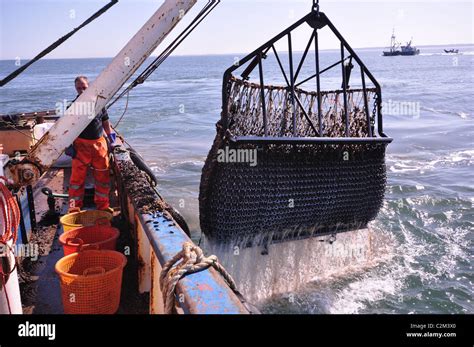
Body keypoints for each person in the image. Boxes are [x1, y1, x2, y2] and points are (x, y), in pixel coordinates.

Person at [66, 76, 116, 212]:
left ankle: (103, 206)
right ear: (75, 89)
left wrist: (111, 138)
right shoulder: (72, 107)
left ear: (90, 87)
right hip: (80, 147)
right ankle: (74, 208)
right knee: (76, 181)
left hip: (99, 146)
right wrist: (68, 145)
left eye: (84, 88)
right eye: (78, 88)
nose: (82, 91)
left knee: (102, 178)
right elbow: (66, 128)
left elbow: (105, 122)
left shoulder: (99, 104)